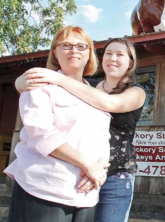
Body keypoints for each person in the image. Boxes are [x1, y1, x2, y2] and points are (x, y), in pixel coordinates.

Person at [15, 37, 147, 222]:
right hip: (79, 170)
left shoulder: (137, 92)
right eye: (108, 53)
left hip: (114, 177)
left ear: (130, 62)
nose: (112, 58)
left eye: (120, 54)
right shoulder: (86, 86)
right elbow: (44, 92)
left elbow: (108, 103)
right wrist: (20, 83)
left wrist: (57, 78)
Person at [4, 26, 111, 222]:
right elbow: (42, 135)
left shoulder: (97, 94)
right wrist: (88, 165)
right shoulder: (39, 84)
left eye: (81, 46)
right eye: (66, 45)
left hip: (86, 193)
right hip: (44, 188)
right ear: (55, 52)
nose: (74, 51)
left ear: (89, 53)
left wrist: (100, 167)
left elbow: (104, 137)